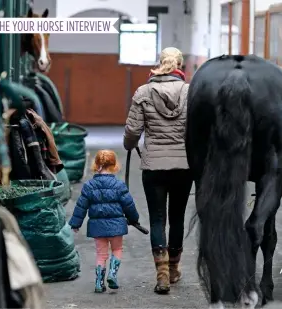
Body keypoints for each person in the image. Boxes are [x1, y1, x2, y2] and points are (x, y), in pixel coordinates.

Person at [123, 47, 193, 294]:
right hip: (183, 167)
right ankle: (174, 269)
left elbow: (132, 131)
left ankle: (161, 276)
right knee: (177, 218)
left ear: (160, 64)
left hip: (154, 167)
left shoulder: (143, 92)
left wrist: (129, 145)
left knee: (157, 219)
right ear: (180, 66)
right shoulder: (189, 92)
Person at [68, 150, 139, 293]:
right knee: (117, 250)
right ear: (114, 165)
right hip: (116, 226)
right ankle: (112, 274)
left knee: (101, 254)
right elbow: (129, 205)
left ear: (96, 164)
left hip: (98, 227)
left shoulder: (89, 186)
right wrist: (133, 219)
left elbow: (81, 206)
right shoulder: (119, 185)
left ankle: (99, 283)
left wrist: (76, 223)